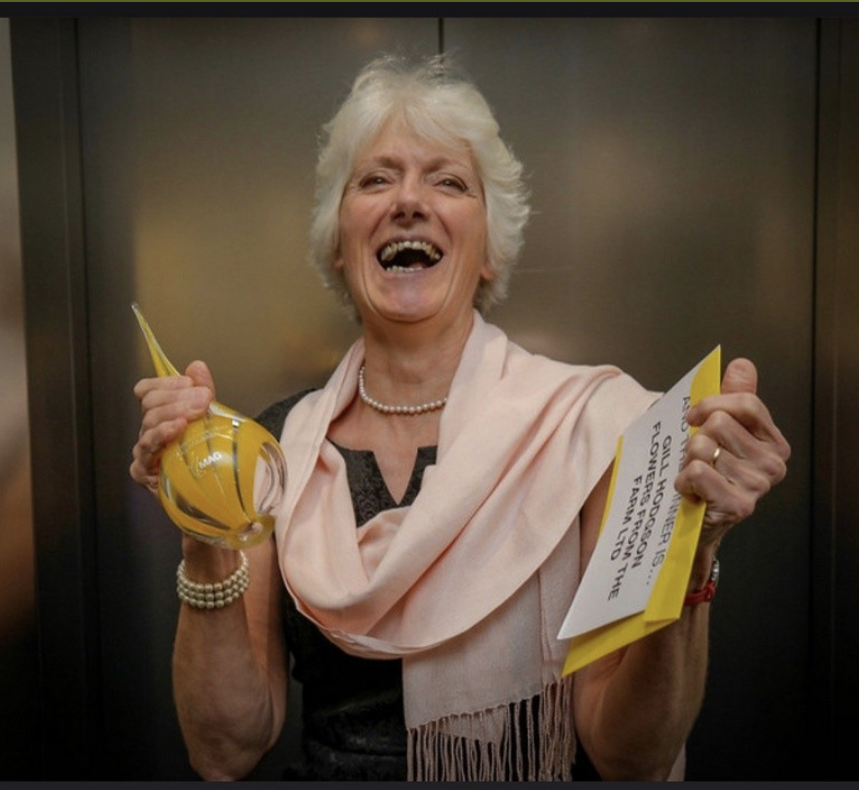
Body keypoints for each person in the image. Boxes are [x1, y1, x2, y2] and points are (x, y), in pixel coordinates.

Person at [130, 55, 790, 782]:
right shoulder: (274, 447)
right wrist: (203, 527)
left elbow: (629, 755)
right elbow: (225, 750)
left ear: (487, 251)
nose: (409, 201)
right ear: (339, 244)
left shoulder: (593, 430)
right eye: (376, 179)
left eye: (448, 182)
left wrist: (690, 556)